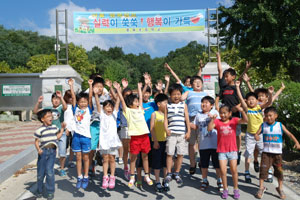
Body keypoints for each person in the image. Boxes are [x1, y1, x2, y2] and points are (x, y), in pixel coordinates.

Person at [254, 107, 300, 199]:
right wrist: (256, 136)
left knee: (279, 172)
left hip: (277, 154)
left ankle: (280, 188)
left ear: (276, 116)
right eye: (266, 116)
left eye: (270, 115)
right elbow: (256, 133)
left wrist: (297, 142)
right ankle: (261, 187)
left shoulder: (279, 125)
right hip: (266, 153)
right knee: (263, 171)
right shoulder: (263, 125)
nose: (268, 118)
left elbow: (289, 134)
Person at [114, 81, 153, 187]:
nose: (137, 103)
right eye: (135, 102)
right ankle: (132, 176)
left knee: (145, 157)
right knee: (133, 158)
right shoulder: (128, 112)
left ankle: (147, 175)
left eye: (137, 101)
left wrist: (139, 88)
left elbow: (140, 98)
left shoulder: (140, 109)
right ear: (130, 104)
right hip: (135, 138)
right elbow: (122, 101)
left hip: (144, 136)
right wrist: (118, 90)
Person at [216, 52, 251, 165]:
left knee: (237, 134)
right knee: (225, 133)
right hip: (225, 114)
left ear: (233, 77)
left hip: (235, 114)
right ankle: (225, 151)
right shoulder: (223, 87)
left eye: (227, 76)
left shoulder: (237, 87)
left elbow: (244, 99)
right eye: (225, 76)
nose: (225, 78)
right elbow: (218, 98)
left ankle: (237, 151)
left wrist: (238, 107)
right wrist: (218, 57)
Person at [236, 80, 274, 183]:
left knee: (264, 154)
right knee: (248, 154)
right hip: (250, 135)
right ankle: (247, 172)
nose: (251, 101)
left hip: (260, 135)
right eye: (249, 100)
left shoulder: (259, 107)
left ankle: (268, 172)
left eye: (253, 99)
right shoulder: (247, 109)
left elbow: (269, 102)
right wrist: (237, 87)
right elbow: (240, 99)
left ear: (257, 101)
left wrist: (270, 94)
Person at [208, 105, 248, 199]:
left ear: (230, 113)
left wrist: (242, 111)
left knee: (234, 170)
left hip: (232, 150)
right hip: (221, 151)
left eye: (225, 113)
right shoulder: (217, 122)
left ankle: (236, 189)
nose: (222, 115)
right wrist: (213, 119)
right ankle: (225, 189)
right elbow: (209, 128)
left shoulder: (233, 121)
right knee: (223, 171)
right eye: (221, 113)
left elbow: (245, 120)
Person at [69, 78, 97, 189]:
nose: (83, 103)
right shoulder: (75, 108)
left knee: (86, 158)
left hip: (86, 137)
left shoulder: (89, 109)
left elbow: (90, 97)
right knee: (78, 158)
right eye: (81, 101)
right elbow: (74, 97)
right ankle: (79, 177)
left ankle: (86, 176)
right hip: (76, 136)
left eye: (85, 101)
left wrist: (90, 85)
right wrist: (71, 86)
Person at [190, 96, 222, 192]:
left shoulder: (215, 113)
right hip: (203, 144)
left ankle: (219, 180)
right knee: (204, 164)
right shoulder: (198, 115)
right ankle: (204, 180)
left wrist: (213, 119)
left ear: (212, 105)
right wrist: (187, 123)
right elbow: (195, 126)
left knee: (217, 164)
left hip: (215, 144)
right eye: (202, 102)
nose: (203, 104)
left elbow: (220, 124)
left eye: (206, 102)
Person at [33, 91, 67, 176]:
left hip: (61, 132)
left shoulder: (60, 108)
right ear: (51, 100)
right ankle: (48, 168)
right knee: (50, 151)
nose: (56, 101)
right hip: (50, 134)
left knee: (62, 152)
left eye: (58, 99)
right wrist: (38, 102)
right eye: (54, 99)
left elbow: (65, 107)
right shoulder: (48, 109)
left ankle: (62, 168)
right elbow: (35, 111)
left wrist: (61, 97)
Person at [34, 109, 65, 200]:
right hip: (43, 152)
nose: (50, 118)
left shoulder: (55, 127)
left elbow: (57, 137)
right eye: (48, 116)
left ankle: (50, 191)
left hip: (52, 152)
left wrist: (62, 129)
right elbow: (36, 141)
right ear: (42, 119)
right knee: (40, 174)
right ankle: (39, 190)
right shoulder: (40, 130)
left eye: (51, 116)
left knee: (50, 172)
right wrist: (38, 149)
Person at [163, 83, 191, 187]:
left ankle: (177, 172)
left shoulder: (184, 105)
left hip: (182, 134)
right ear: (170, 95)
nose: (176, 96)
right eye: (174, 94)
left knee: (180, 153)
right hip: (171, 133)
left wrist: (188, 131)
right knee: (169, 154)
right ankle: (169, 173)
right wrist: (166, 129)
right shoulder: (167, 106)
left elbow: (187, 119)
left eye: (178, 94)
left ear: (181, 95)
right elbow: (165, 119)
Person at [181, 75, 207, 174]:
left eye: (199, 82)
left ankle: (201, 161)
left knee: (202, 143)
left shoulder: (205, 94)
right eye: (195, 82)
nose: (198, 83)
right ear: (191, 84)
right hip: (191, 119)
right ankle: (192, 163)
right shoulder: (189, 92)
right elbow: (181, 98)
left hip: (203, 120)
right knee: (191, 143)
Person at [98, 95, 122, 189]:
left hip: (112, 141)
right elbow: (97, 102)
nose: (109, 108)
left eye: (111, 106)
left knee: (112, 159)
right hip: (104, 141)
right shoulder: (102, 115)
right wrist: (96, 94)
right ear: (103, 108)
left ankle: (112, 177)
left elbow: (118, 103)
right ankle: (105, 177)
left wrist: (118, 91)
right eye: (107, 106)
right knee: (105, 159)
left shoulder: (114, 115)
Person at [88, 77, 110, 177]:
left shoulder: (106, 97)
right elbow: (89, 104)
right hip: (94, 123)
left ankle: (107, 165)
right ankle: (90, 165)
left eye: (101, 86)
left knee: (105, 146)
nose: (99, 88)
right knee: (92, 146)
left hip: (105, 124)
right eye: (97, 86)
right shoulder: (91, 97)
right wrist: (90, 87)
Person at [150, 93, 169, 192]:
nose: (167, 104)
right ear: (158, 104)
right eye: (165, 102)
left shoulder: (169, 115)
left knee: (166, 162)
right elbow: (152, 128)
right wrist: (155, 141)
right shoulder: (154, 114)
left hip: (167, 142)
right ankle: (157, 181)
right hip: (157, 142)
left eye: (167, 102)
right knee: (157, 162)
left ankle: (165, 181)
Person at [117, 78, 132, 180]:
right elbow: (120, 98)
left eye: (129, 95)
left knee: (133, 150)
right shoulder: (123, 105)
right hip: (124, 128)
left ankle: (132, 168)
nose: (127, 97)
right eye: (126, 95)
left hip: (134, 129)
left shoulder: (134, 104)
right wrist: (122, 88)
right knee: (126, 150)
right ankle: (126, 167)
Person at [63, 90, 75, 168]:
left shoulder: (75, 106)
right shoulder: (64, 106)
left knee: (72, 146)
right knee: (65, 146)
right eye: (69, 97)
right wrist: (66, 128)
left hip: (73, 128)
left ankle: (70, 161)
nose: (71, 99)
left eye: (72, 97)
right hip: (66, 129)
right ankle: (63, 161)